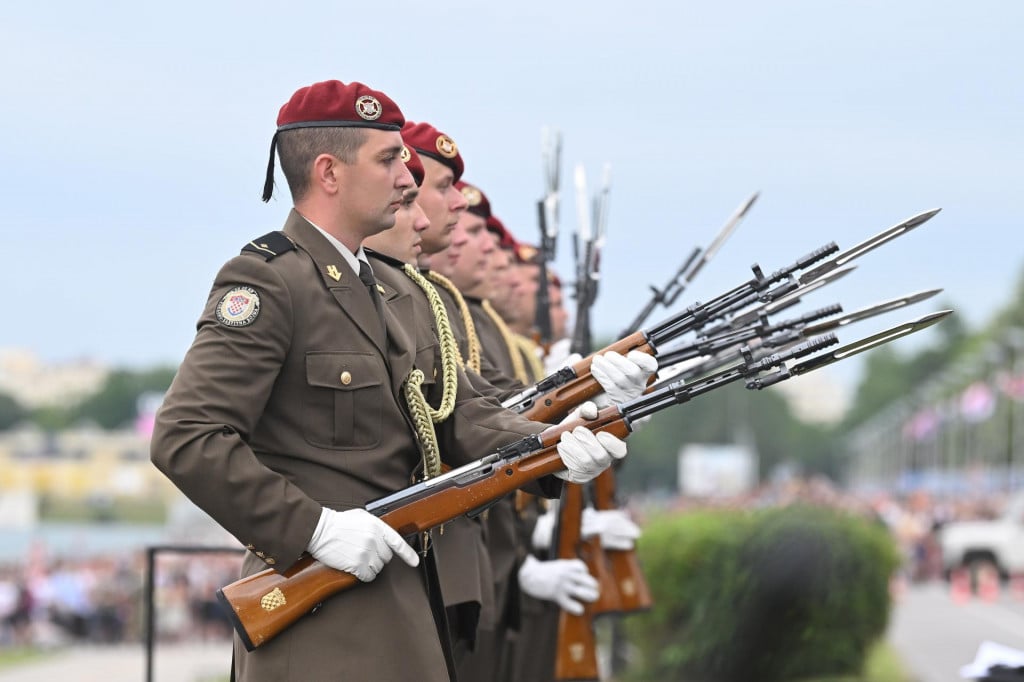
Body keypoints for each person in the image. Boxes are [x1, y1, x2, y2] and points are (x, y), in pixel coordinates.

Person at [150, 79, 629, 682]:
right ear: (328, 172)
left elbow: (455, 412)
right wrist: (314, 529)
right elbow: (186, 435)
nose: (408, 178)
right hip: (321, 610)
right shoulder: (270, 281)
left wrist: (554, 448)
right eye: (388, 159)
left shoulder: (393, 288)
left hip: (404, 600)